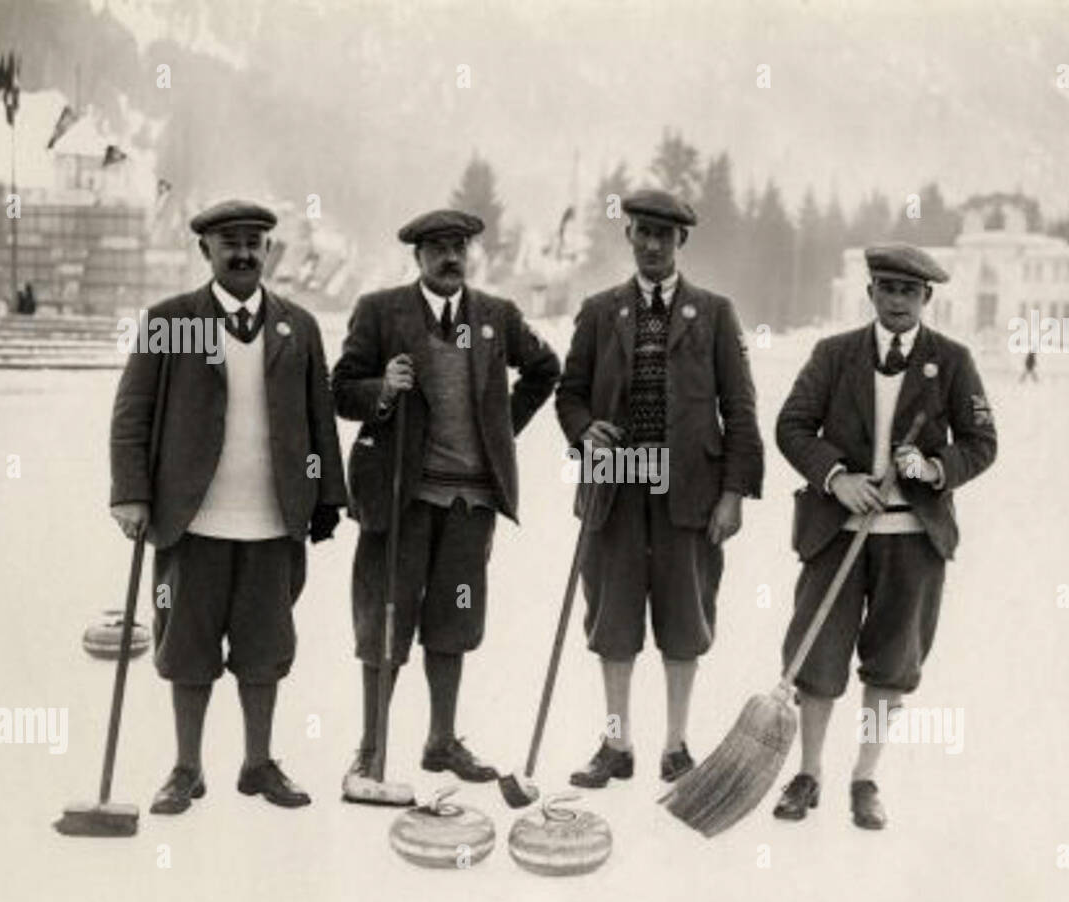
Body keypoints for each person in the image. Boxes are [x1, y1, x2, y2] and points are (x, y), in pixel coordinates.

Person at [109, 199, 347, 814]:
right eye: (229, 243)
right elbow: (131, 415)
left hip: (273, 520)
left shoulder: (297, 325)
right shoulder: (174, 322)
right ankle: (187, 768)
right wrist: (132, 493)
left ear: (268, 251)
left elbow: (320, 420)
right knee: (187, 648)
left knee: (264, 648)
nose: (243, 254)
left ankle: (258, 764)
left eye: (254, 243)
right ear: (205, 251)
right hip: (193, 521)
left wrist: (326, 494)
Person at [332, 209, 559, 787]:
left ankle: (441, 740)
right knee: (385, 619)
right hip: (400, 497)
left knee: (453, 620)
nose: (450, 257)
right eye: (437, 248)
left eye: (458, 246)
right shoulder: (381, 311)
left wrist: (499, 429)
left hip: (470, 504)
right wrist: (382, 389)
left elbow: (545, 369)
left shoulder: (496, 317)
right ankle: (370, 746)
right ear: (418, 257)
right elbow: (339, 390)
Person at [772, 243, 996, 827]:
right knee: (817, 659)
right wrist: (836, 477)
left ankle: (865, 777)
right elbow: (792, 426)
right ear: (870, 293)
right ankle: (809, 772)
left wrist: (934, 467)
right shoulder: (833, 354)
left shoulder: (951, 361)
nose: (898, 300)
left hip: (912, 542)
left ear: (927, 298)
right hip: (837, 535)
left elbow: (981, 443)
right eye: (887, 288)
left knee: (892, 663)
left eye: (910, 291)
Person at [556, 188, 764, 788]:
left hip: (690, 493)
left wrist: (733, 494)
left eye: (664, 236)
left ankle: (675, 746)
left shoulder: (716, 313)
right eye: (643, 231)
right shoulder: (599, 312)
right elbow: (569, 393)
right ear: (628, 235)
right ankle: (617, 744)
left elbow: (741, 411)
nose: (652, 244)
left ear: (682, 243)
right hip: (615, 487)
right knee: (613, 619)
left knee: (684, 619)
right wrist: (582, 429)